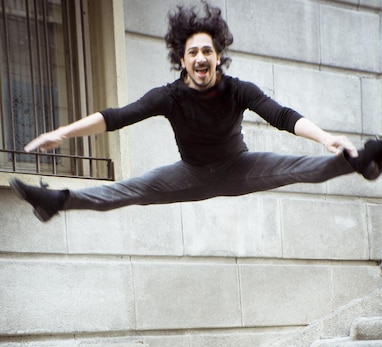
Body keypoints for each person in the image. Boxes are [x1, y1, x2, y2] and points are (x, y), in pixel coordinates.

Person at [10, 1, 382, 223]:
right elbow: (115, 116)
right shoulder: (168, 96)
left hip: (240, 168)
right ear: (183, 61)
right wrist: (62, 133)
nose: (201, 58)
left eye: (207, 51)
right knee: (129, 190)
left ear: (218, 55)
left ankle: (362, 159)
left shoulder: (238, 90)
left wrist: (326, 137)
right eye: (192, 53)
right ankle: (54, 202)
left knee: (294, 167)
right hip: (189, 174)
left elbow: (282, 116)